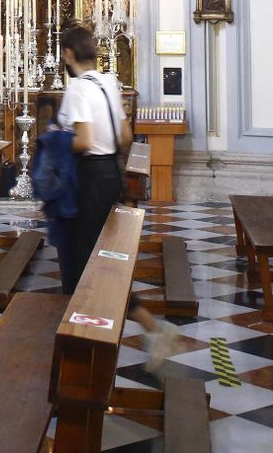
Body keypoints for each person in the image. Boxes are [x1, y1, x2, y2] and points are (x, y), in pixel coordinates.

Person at [52, 25, 179, 371]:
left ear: (67, 54)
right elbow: (125, 134)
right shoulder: (109, 82)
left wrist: (53, 141)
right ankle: (94, 331)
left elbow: (83, 140)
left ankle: (88, 342)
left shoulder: (78, 89)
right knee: (98, 256)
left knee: (81, 259)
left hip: (87, 177)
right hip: (110, 173)